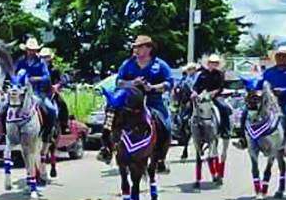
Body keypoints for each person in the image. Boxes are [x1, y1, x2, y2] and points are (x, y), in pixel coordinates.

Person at [98, 35, 175, 172]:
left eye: (139, 47)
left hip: (153, 99)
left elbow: (169, 83)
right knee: (111, 112)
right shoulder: (128, 64)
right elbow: (119, 81)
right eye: (135, 47)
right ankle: (106, 148)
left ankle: (160, 159)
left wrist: (152, 87)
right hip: (129, 99)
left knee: (166, 125)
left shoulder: (160, 65)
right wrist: (133, 83)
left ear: (149, 48)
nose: (136, 50)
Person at [239, 46, 286, 154]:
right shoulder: (268, 72)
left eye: (284, 56)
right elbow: (259, 84)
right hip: (267, 102)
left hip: (284, 101)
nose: (281, 58)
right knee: (246, 113)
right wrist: (253, 90)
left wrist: (283, 91)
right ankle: (243, 139)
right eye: (279, 56)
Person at [13, 38, 59, 132]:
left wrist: (36, 79)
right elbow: (14, 76)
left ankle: (48, 132)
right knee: (5, 107)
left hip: (37, 93)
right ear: (26, 50)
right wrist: (16, 82)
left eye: (33, 50)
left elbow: (47, 77)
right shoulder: (21, 62)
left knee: (51, 110)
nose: (31, 52)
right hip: (21, 92)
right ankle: (4, 133)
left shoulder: (41, 63)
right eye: (30, 50)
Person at [192, 54, 233, 137]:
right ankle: (188, 128)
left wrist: (214, 93)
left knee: (223, 107)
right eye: (211, 62)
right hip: (202, 96)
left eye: (215, 62)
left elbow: (221, 87)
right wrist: (195, 92)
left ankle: (225, 130)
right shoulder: (202, 74)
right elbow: (196, 85)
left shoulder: (220, 74)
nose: (213, 64)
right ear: (208, 63)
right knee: (189, 107)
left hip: (216, 96)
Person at [40, 47, 71, 134]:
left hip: (51, 92)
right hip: (38, 92)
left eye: (46, 57)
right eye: (42, 57)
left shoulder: (55, 69)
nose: (44, 59)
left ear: (50, 58)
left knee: (62, 103)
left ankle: (64, 125)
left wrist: (57, 86)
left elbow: (63, 80)